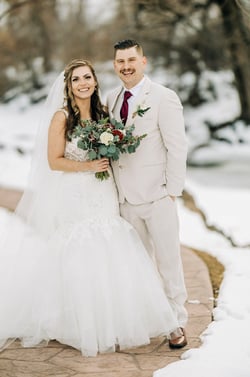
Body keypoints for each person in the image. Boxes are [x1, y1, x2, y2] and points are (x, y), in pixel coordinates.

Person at [0, 59, 183, 357]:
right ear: (68, 86)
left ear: (95, 82)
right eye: (76, 80)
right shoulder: (61, 118)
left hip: (105, 189)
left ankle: (119, 318)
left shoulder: (103, 114)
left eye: (87, 77)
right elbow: (53, 161)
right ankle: (81, 323)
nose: (83, 83)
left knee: (113, 246)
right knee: (82, 248)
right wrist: (87, 165)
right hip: (77, 192)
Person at [106, 40, 188, 348]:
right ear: (114, 66)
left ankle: (177, 322)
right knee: (139, 265)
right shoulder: (111, 99)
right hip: (125, 200)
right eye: (120, 61)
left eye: (131, 59)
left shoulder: (164, 97)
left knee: (169, 262)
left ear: (144, 61)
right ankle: (151, 318)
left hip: (158, 196)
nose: (126, 65)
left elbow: (177, 146)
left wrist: (172, 191)